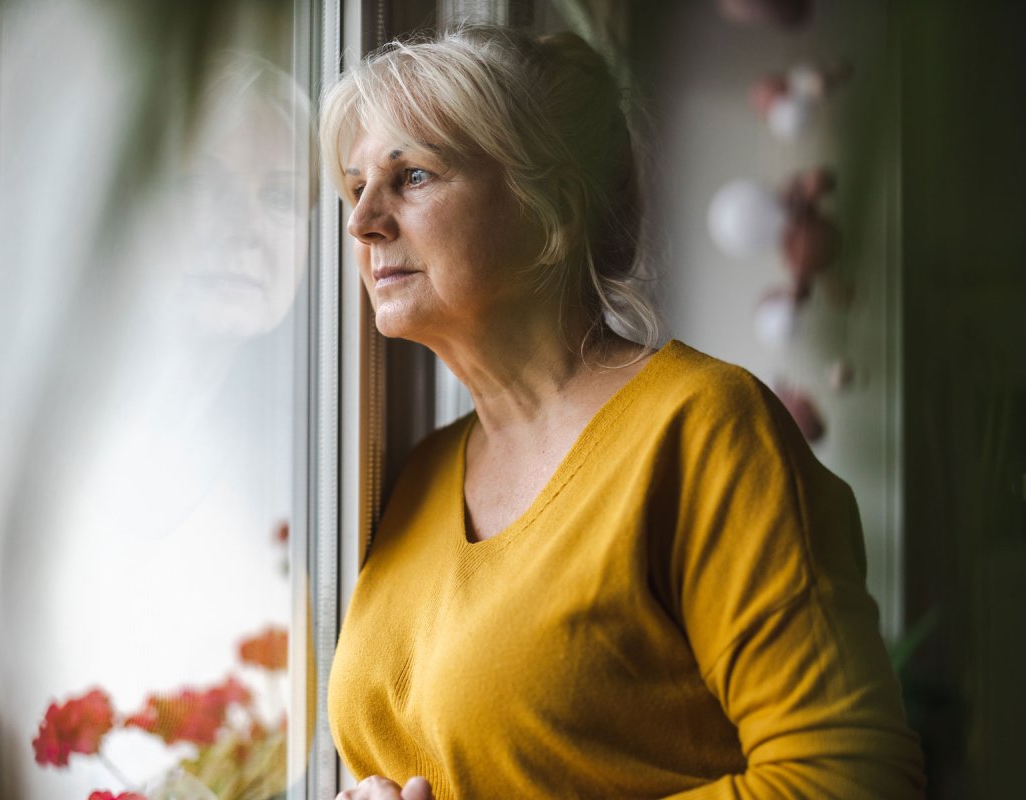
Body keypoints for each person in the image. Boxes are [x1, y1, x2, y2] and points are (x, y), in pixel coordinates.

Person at [320, 25, 925, 800]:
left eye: (412, 177)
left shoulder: (702, 427)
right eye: (356, 183)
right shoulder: (419, 474)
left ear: (551, 207)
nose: (361, 220)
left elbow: (853, 780)